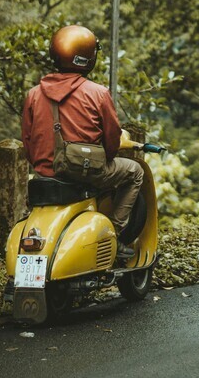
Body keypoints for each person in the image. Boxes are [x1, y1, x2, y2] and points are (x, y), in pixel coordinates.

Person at [21, 25, 142, 259]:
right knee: (135, 172)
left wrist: (45, 164)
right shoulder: (97, 93)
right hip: (86, 172)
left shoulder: (33, 94)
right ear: (88, 58)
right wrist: (102, 158)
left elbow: (27, 142)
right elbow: (111, 142)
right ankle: (114, 234)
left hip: (46, 175)